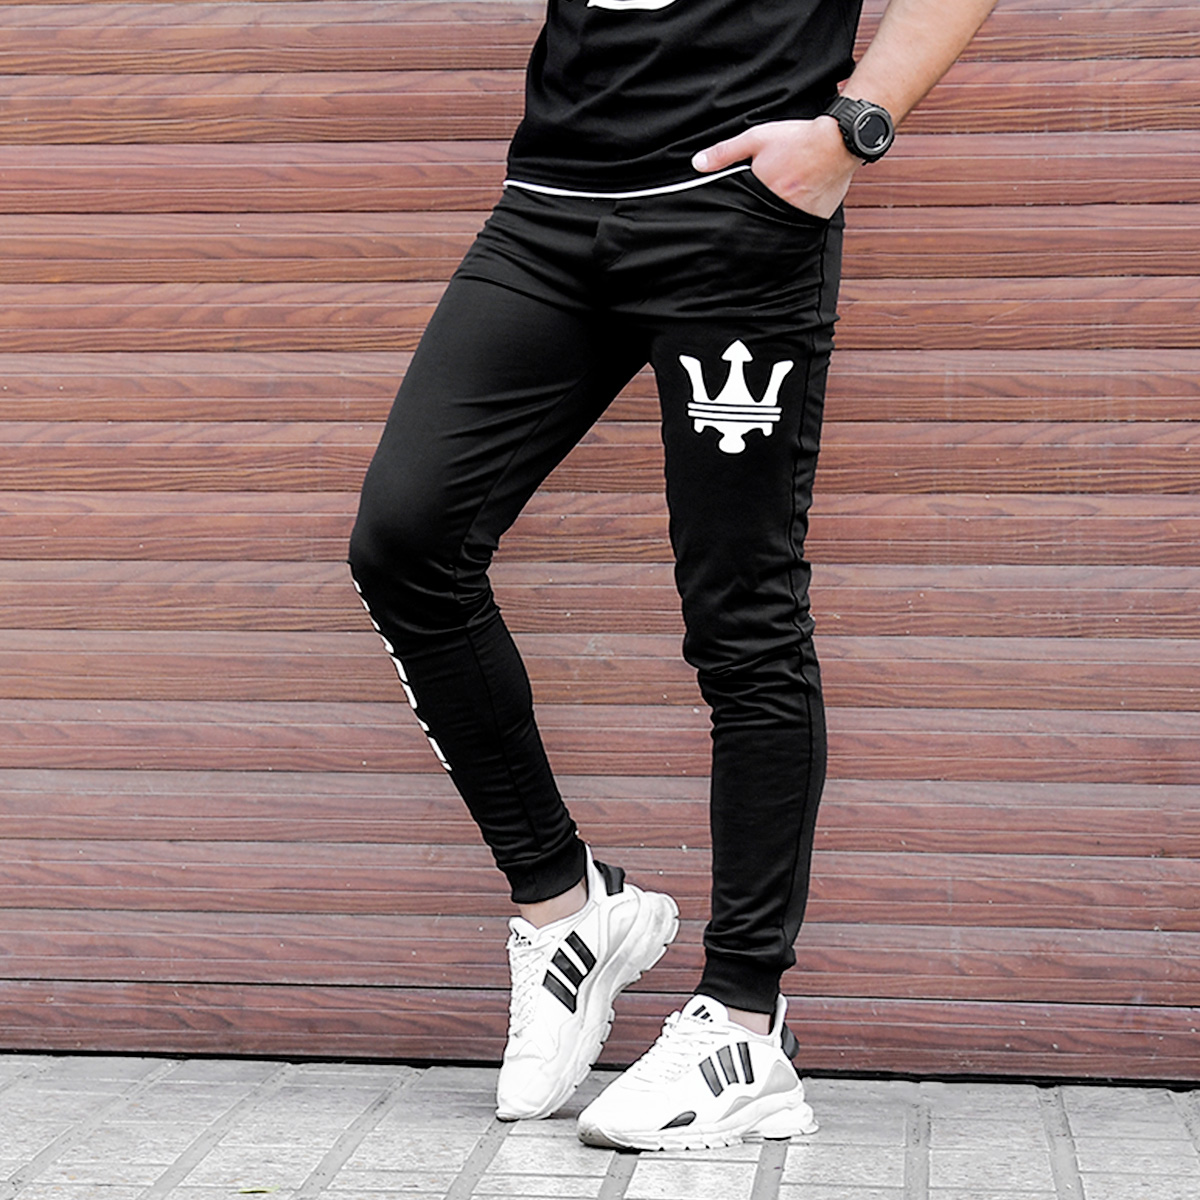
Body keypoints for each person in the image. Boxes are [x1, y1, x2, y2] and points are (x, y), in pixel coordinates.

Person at [348, 0, 997, 1152]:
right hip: (551, 200)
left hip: (736, 208)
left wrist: (854, 127)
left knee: (742, 613)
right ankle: (567, 908)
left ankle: (744, 1022)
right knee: (406, 541)